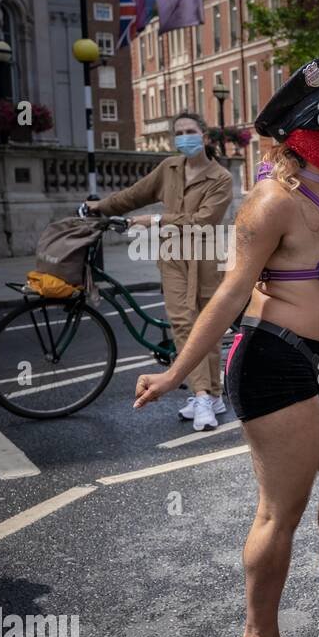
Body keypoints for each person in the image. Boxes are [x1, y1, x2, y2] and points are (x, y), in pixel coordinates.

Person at [132, 57, 319, 637]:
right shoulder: (269, 203)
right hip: (274, 363)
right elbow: (229, 294)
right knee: (279, 513)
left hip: (311, 365)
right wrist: (178, 372)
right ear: (306, 131)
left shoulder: (317, 191)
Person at [86, 112, 232, 430]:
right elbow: (134, 195)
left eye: (190, 131)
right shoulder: (169, 168)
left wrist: (154, 221)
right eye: (179, 133)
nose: (184, 137)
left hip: (206, 258)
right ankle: (203, 394)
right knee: (183, 323)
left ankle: (213, 395)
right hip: (173, 257)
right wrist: (100, 206)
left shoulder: (221, 178)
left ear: (205, 137)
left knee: (207, 328)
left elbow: (204, 220)